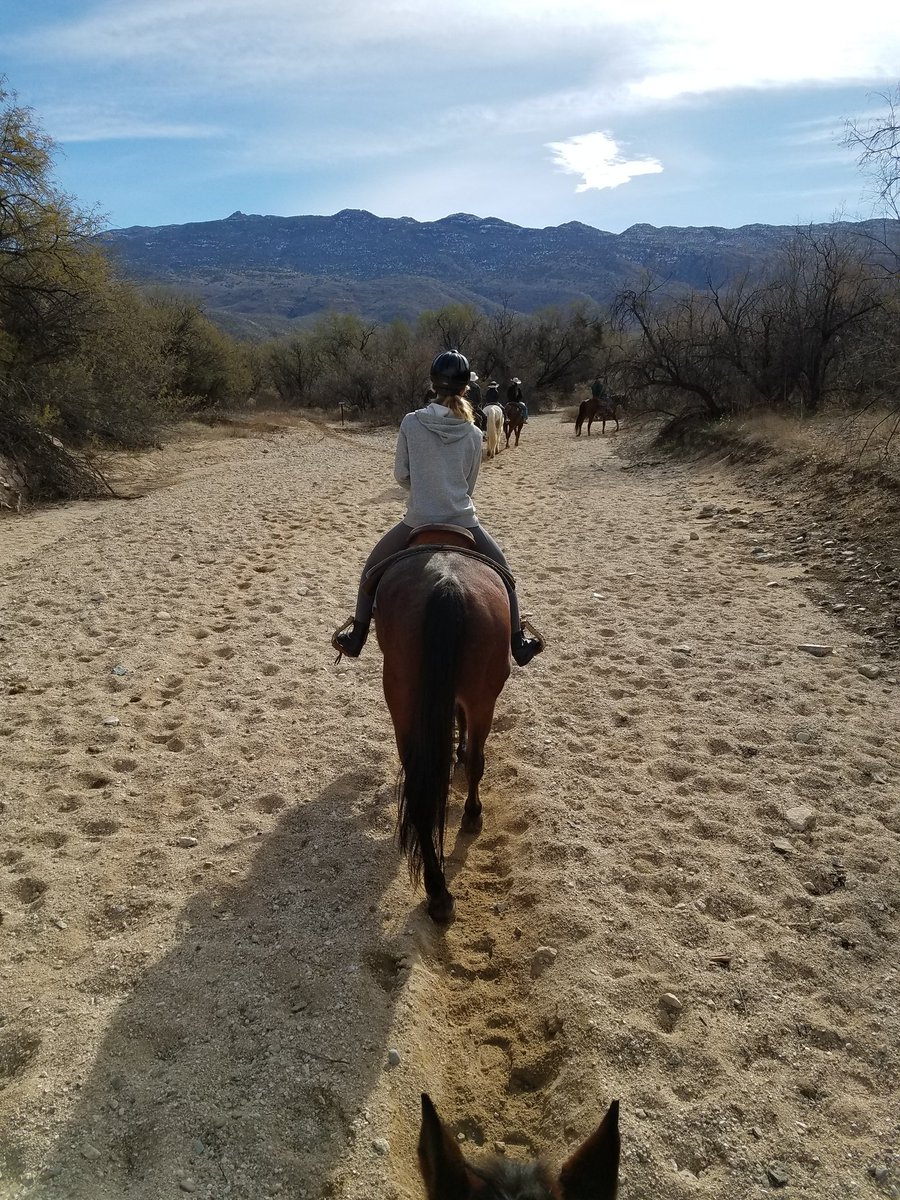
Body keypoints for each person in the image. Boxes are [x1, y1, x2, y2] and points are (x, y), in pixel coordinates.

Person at [332, 349, 544, 666]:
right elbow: (469, 485)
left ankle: (357, 635)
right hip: (464, 521)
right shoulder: (474, 433)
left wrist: (425, 488)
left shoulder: (411, 423)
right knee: (506, 574)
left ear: (433, 385)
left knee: (371, 568)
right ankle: (518, 642)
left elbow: (401, 475)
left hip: (417, 520)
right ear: (465, 388)